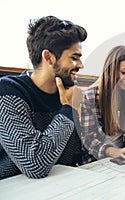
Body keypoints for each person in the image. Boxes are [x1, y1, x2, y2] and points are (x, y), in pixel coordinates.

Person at [0, 16, 89, 180]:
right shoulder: (8, 92)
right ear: (48, 57)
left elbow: (72, 157)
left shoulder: (66, 92)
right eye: (74, 57)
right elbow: (34, 165)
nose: (81, 65)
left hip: (59, 187)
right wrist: (69, 109)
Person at [80, 45, 125, 161]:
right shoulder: (89, 97)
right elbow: (88, 140)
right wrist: (114, 152)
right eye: (124, 72)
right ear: (110, 71)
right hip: (95, 162)